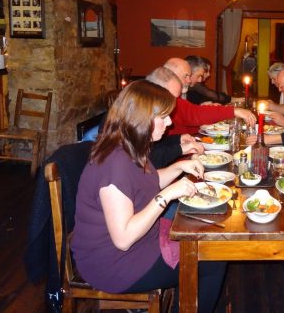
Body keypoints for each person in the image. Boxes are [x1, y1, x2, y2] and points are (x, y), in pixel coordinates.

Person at [71, 80, 226, 313]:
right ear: (142, 119)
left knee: (204, 238)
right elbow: (123, 238)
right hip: (114, 263)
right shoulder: (115, 164)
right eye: (163, 117)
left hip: (136, 244)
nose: (170, 122)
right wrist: (167, 195)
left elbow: (145, 183)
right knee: (212, 261)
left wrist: (179, 167)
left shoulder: (128, 145)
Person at [147, 63, 255, 136]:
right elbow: (194, 114)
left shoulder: (171, 95)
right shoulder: (167, 97)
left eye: (189, 76)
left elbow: (186, 121)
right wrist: (234, 111)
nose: (189, 80)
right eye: (186, 76)